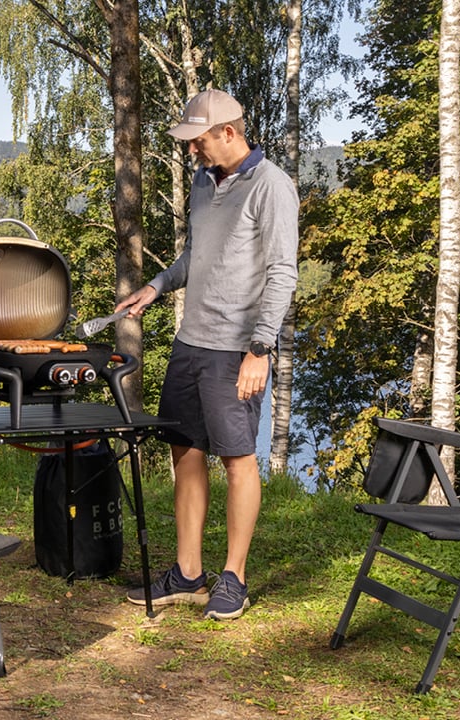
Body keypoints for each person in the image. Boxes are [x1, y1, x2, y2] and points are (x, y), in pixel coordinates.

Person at [118, 89, 298, 620]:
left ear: (229, 132)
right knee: (185, 452)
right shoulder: (202, 181)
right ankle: (188, 573)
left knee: (238, 459)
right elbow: (196, 256)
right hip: (190, 342)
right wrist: (155, 287)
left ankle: (233, 578)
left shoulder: (272, 186)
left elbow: (282, 272)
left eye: (197, 141)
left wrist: (260, 349)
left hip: (236, 348)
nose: (192, 151)